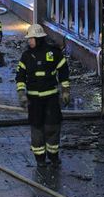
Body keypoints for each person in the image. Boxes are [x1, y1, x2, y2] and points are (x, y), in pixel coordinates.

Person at [16, 24, 70, 167]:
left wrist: (65, 90)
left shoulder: (53, 53)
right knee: (37, 128)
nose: (29, 41)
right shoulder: (26, 56)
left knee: (52, 126)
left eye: (31, 39)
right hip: (34, 100)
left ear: (39, 38)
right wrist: (21, 94)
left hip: (51, 97)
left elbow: (64, 70)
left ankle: (53, 156)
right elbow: (20, 76)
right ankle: (40, 158)